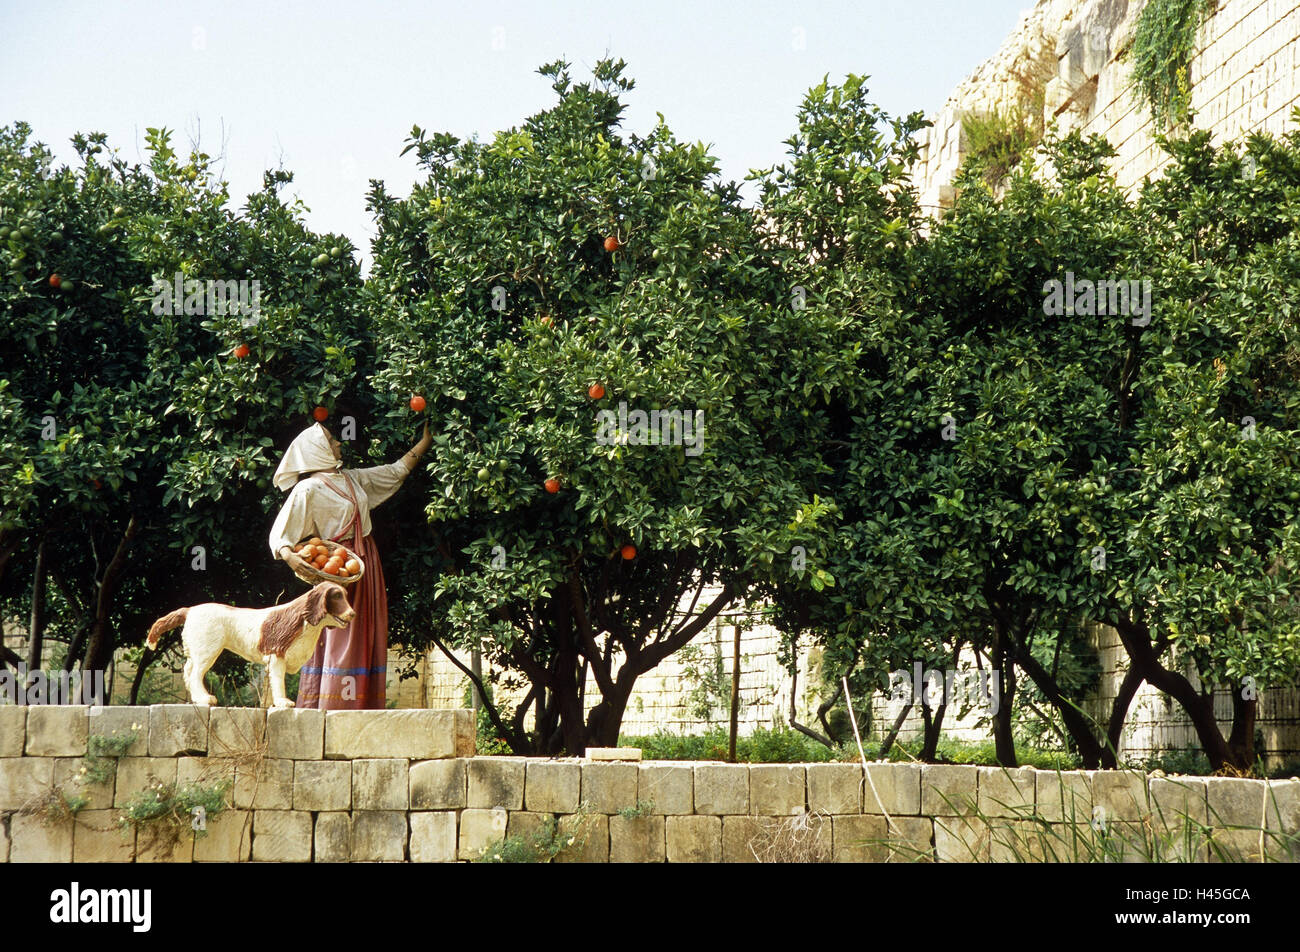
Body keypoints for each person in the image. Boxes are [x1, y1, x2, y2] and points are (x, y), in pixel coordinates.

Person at [268, 420, 431, 709]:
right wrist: (293, 558)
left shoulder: (352, 479)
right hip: (335, 566)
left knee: (367, 629)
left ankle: (363, 706)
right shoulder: (307, 490)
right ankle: (332, 706)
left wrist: (425, 442)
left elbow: (394, 472)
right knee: (339, 632)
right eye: (332, 441)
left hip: (365, 563)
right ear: (319, 450)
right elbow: (281, 535)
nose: (339, 443)